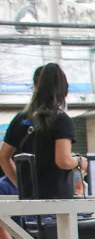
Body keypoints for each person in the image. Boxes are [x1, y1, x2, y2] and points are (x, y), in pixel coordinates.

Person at [0, 63, 87, 200]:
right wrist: (79, 161)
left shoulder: (20, 119)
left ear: (35, 87)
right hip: (57, 204)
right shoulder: (61, 119)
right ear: (64, 89)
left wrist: (22, 187)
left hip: (29, 205)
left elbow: (4, 157)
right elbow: (63, 161)